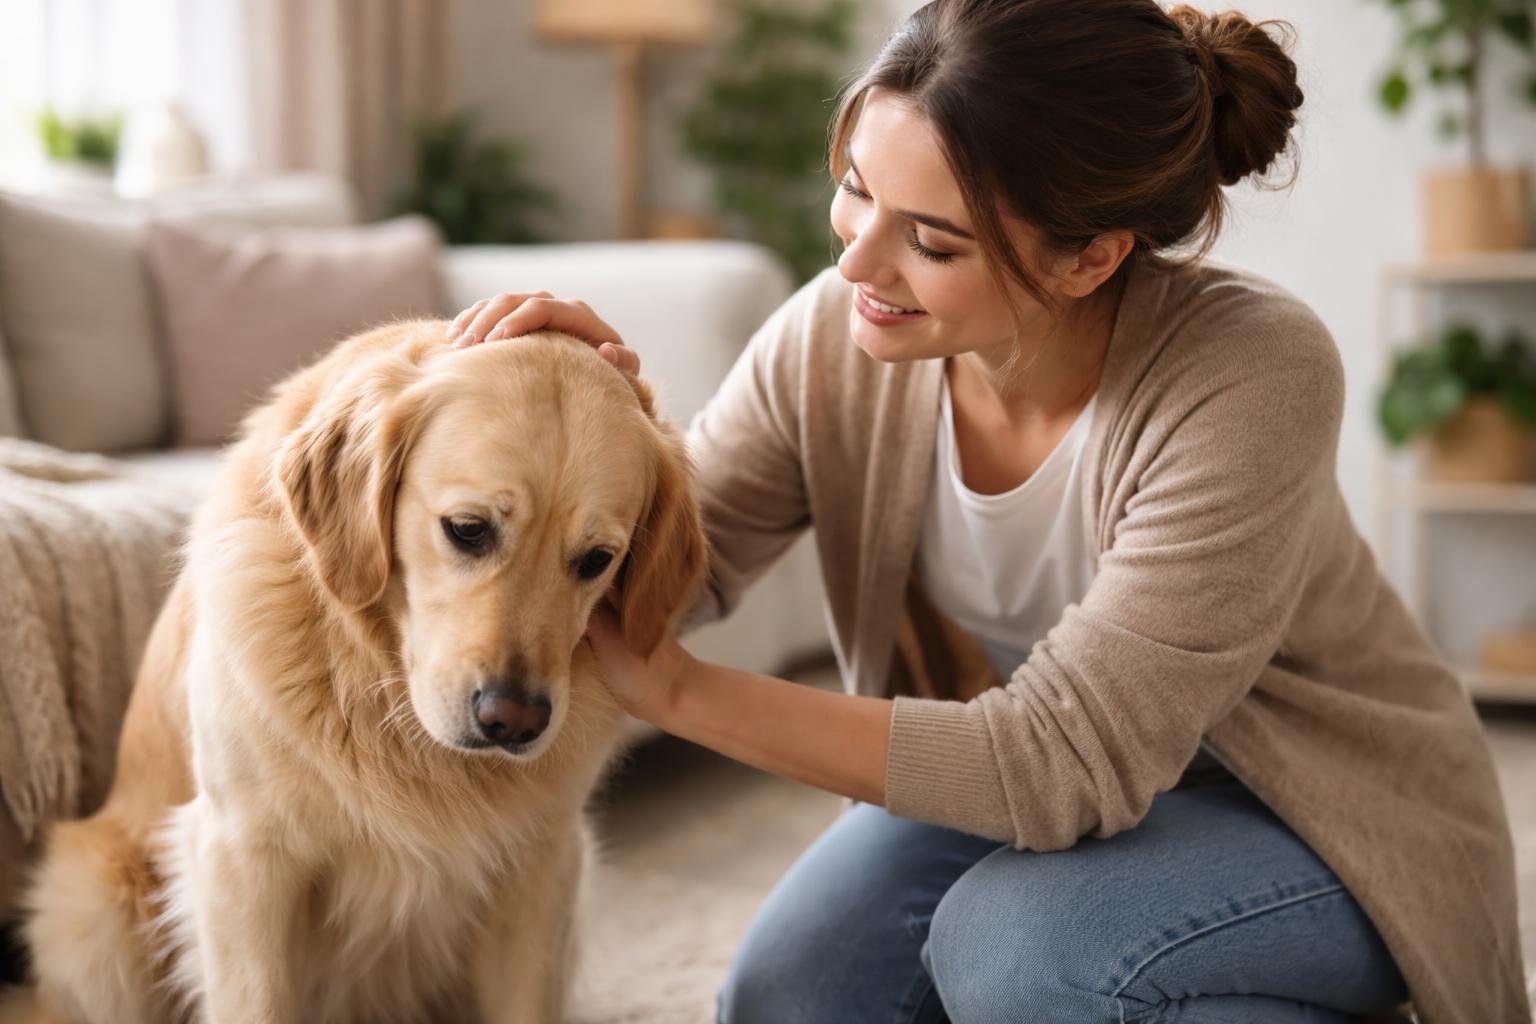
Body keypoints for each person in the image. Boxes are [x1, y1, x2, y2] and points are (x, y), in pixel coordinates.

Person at [449, 2, 1525, 1021]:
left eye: (934, 241)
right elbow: (667, 573)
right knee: (794, 996)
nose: (856, 260)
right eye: (858, 188)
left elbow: (1058, 764)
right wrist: (596, 415)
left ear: (1090, 257)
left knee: (1015, 949)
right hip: (1017, 793)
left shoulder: (1250, 372)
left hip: (1309, 816)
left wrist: (681, 692)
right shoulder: (833, 338)